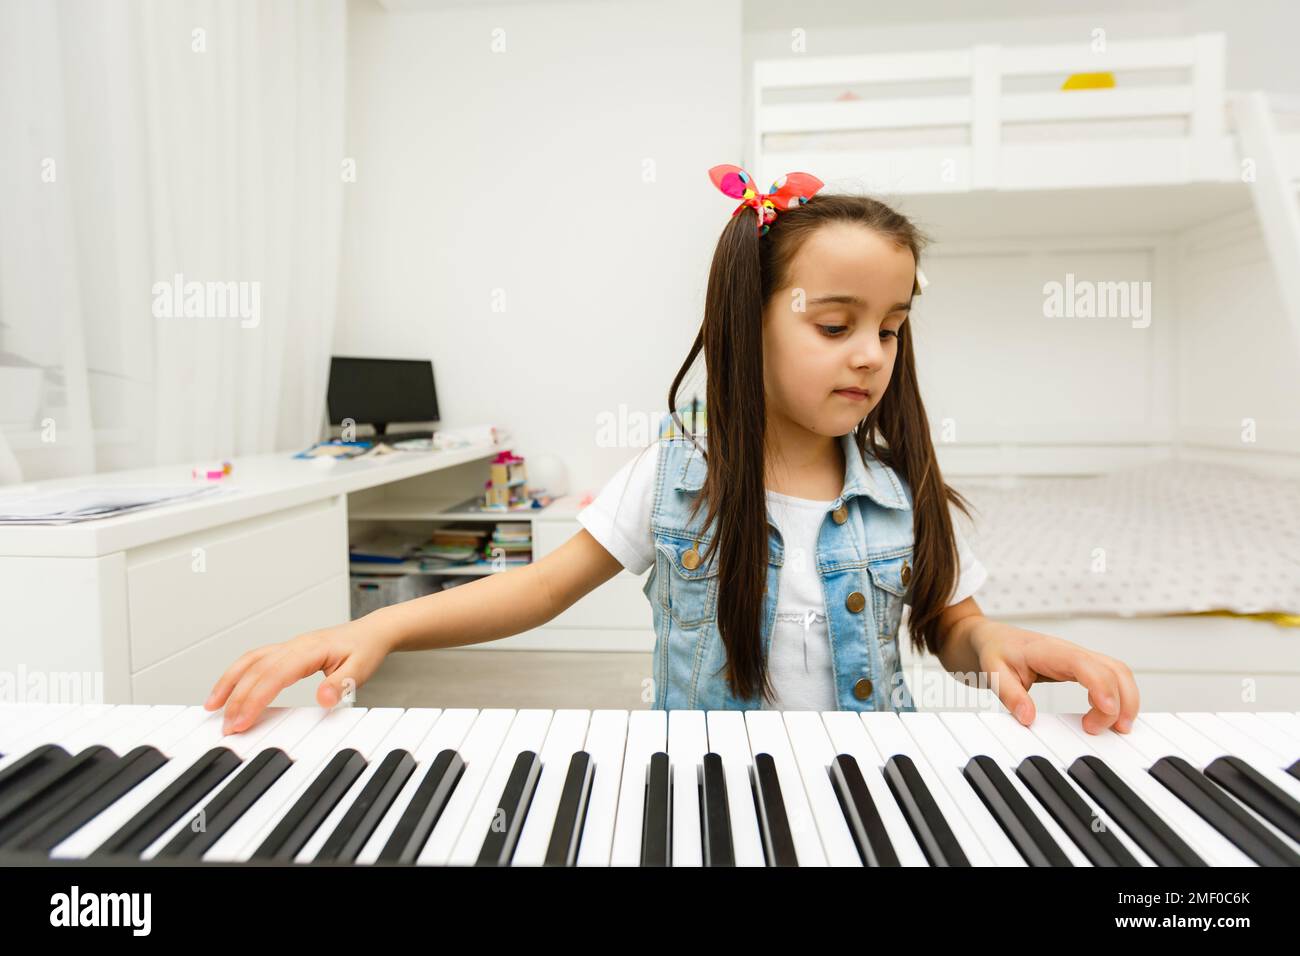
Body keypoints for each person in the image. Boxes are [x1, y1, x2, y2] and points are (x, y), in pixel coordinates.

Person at [206, 164, 1139, 737]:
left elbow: (952, 628)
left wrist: (1001, 642)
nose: (870, 354)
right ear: (747, 321)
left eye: (891, 330)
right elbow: (536, 590)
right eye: (836, 323)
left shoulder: (900, 491)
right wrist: (376, 627)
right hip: (707, 795)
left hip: (871, 786)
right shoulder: (672, 480)